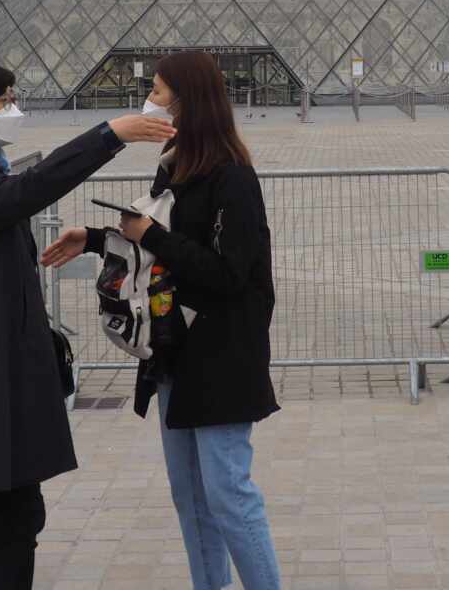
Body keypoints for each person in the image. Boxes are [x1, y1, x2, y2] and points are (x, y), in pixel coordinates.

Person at [0, 60, 174, 589]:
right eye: (2, 99)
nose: (13, 108)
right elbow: (32, 190)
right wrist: (109, 134)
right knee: (11, 507)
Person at [42, 50, 282, 590]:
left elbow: (225, 274)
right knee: (191, 496)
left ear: (186, 100)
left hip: (221, 355)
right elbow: (159, 251)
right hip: (175, 352)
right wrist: (97, 238)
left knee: (228, 494)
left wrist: (147, 235)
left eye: (156, 88)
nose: (148, 97)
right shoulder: (177, 167)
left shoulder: (232, 178)